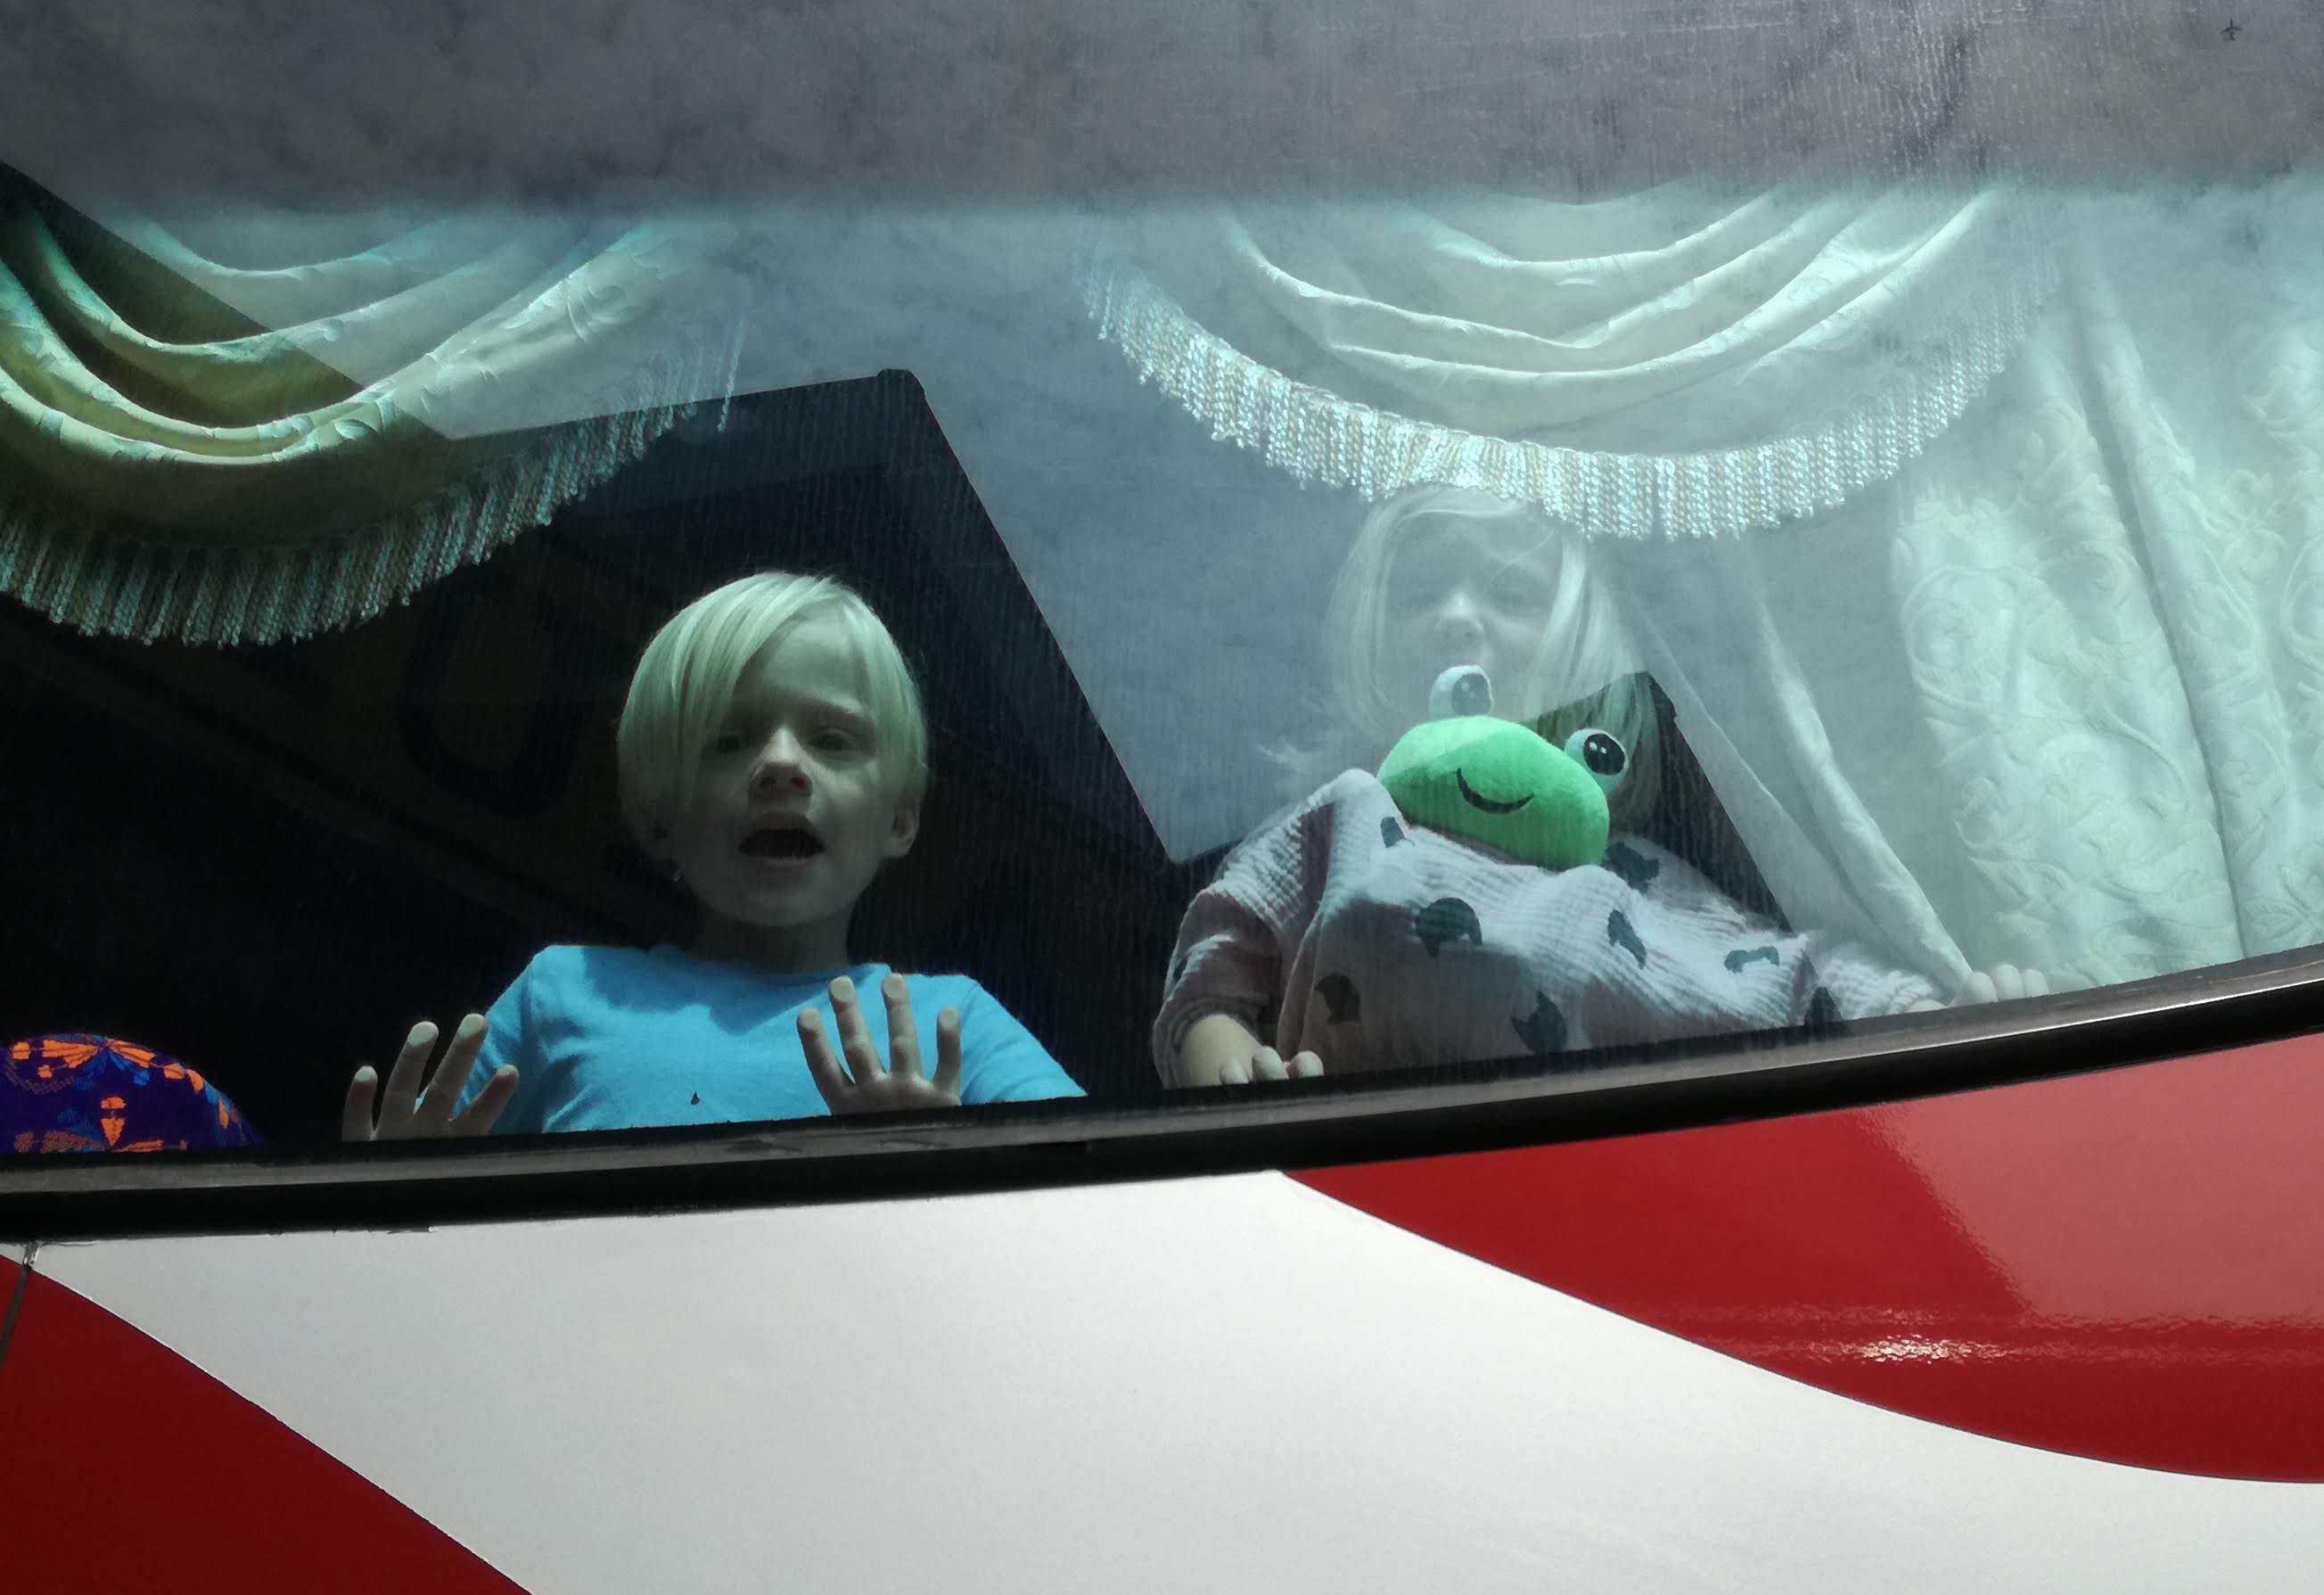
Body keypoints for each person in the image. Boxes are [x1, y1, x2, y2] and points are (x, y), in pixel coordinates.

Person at [1159, 487, 2043, 1093]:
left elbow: (1781, 976)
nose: (1459, 614)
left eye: (1511, 592)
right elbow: (1214, 969)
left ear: (1573, 640)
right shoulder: (1340, 813)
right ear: (1368, 630)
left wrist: (1941, 1016)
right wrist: (1234, 1074)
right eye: (1422, 590)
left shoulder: (1628, 869)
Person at [345, 571, 1080, 1142]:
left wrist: (947, 1176)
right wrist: (396, 1202)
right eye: (729, 742)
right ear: (660, 820)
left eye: (832, 740)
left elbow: (1095, 1213)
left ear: (901, 819)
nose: (782, 764)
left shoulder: (956, 1025)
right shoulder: (564, 993)